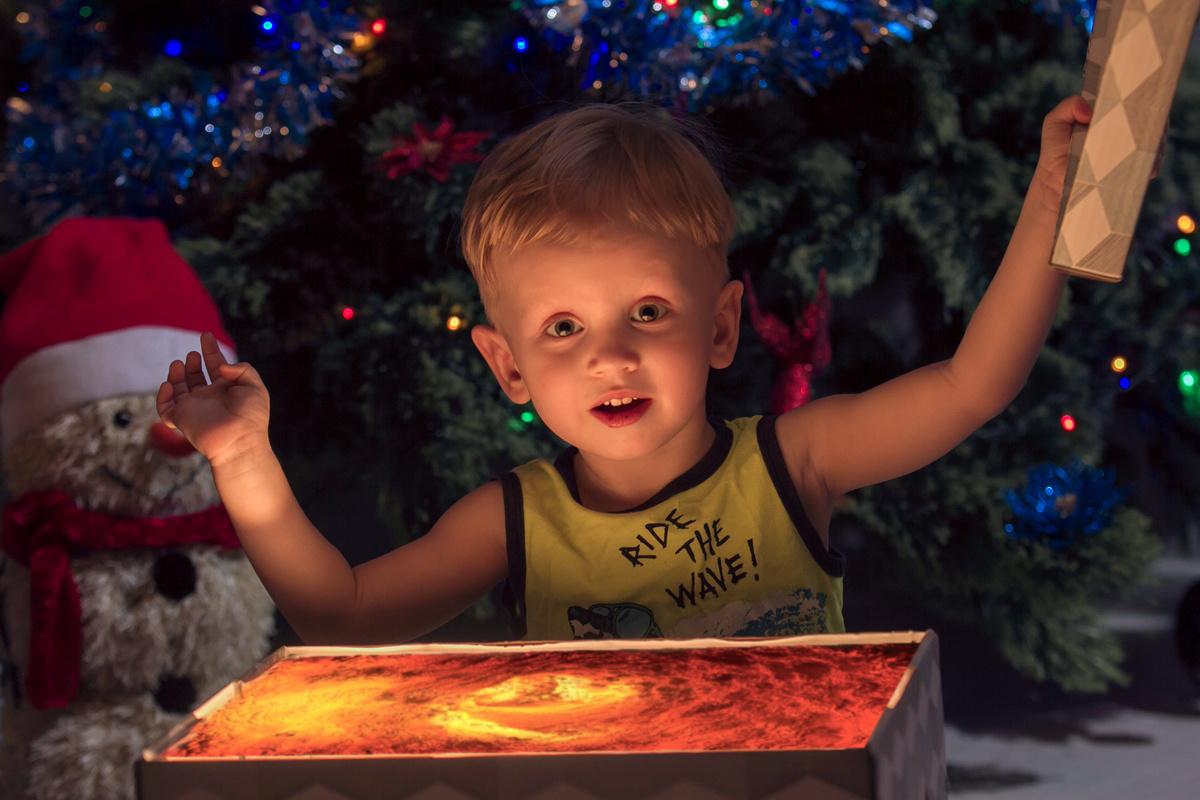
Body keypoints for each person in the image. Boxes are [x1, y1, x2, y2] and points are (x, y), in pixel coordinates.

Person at [159, 95, 1094, 644]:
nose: (610, 353)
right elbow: (344, 617)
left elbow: (974, 384)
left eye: (649, 311)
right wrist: (243, 457)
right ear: (508, 366)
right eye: (562, 327)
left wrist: (1055, 191)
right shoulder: (513, 522)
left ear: (723, 324)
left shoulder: (795, 459)